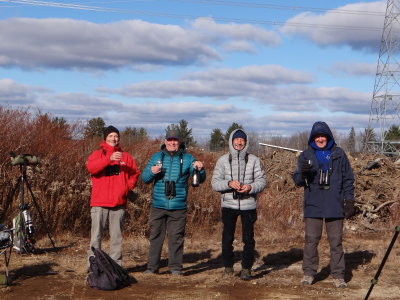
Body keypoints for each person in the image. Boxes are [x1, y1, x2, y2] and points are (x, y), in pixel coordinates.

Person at [292, 121, 355, 288]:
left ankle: (338, 275)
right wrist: (304, 173)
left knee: (336, 242)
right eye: (317, 136)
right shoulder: (306, 155)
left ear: (328, 137)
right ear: (313, 138)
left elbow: (348, 179)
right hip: (313, 204)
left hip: (335, 204)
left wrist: (349, 200)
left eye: (323, 136)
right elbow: (297, 180)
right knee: (311, 240)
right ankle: (309, 273)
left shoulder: (339, 154)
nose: (320, 139)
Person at [141, 129, 206, 275]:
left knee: (176, 239)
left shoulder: (188, 158)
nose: (172, 143)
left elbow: (201, 179)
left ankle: (175, 268)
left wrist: (201, 169)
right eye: (169, 140)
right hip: (158, 204)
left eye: (175, 140)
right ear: (165, 142)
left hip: (178, 206)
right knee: (155, 237)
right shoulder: (156, 157)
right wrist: (152, 172)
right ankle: (151, 268)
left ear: (179, 142)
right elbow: (144, 178)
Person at [211, 129, 266, 280]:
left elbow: (262, 182)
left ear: (246, 142)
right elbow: (214, 184)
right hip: (228, 205)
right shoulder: (222, 160)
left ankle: (246, 269)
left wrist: (250, 187)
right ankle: (228, 267)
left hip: (249, 205)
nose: (239, 142)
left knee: (248, 239)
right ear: (231, 142)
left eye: (242, 140)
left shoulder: (254, 160)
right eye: (236, 140)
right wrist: (229, 183)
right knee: (227, 238)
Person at [86, 125, 140, 266]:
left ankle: (116, 266)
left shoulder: (126, 157)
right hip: (99, 203)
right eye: (110, 136)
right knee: (96, 237)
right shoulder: (97, 154)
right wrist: (108, 159)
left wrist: (127, 187)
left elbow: (135, 173)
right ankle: (93, 265)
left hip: (118, 203)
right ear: (105, 138)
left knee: (116, 238)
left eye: (116, 136)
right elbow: (91, 168)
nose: (113, 138)